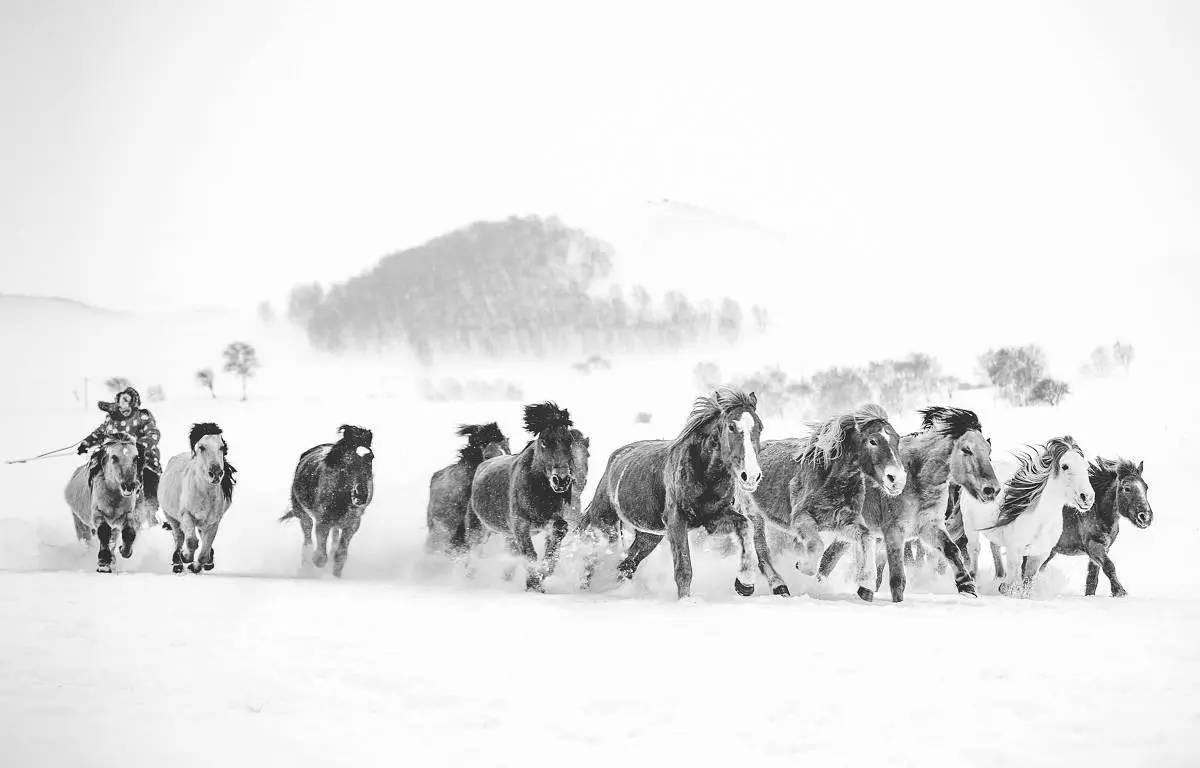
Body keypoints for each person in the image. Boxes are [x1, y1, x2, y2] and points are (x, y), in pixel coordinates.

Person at [78, 387, 162, 511]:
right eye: (122, 406)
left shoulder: (142, 417)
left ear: (135, 405)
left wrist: (140, 446)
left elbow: (153, 434)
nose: (125, 410)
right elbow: (101, 432)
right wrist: (86, 443)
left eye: (129, 407)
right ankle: (93, 503)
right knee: (96, 469)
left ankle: (150, 509)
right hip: (114, 457)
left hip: (138, 457)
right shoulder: (113, 418)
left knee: (149, 476)